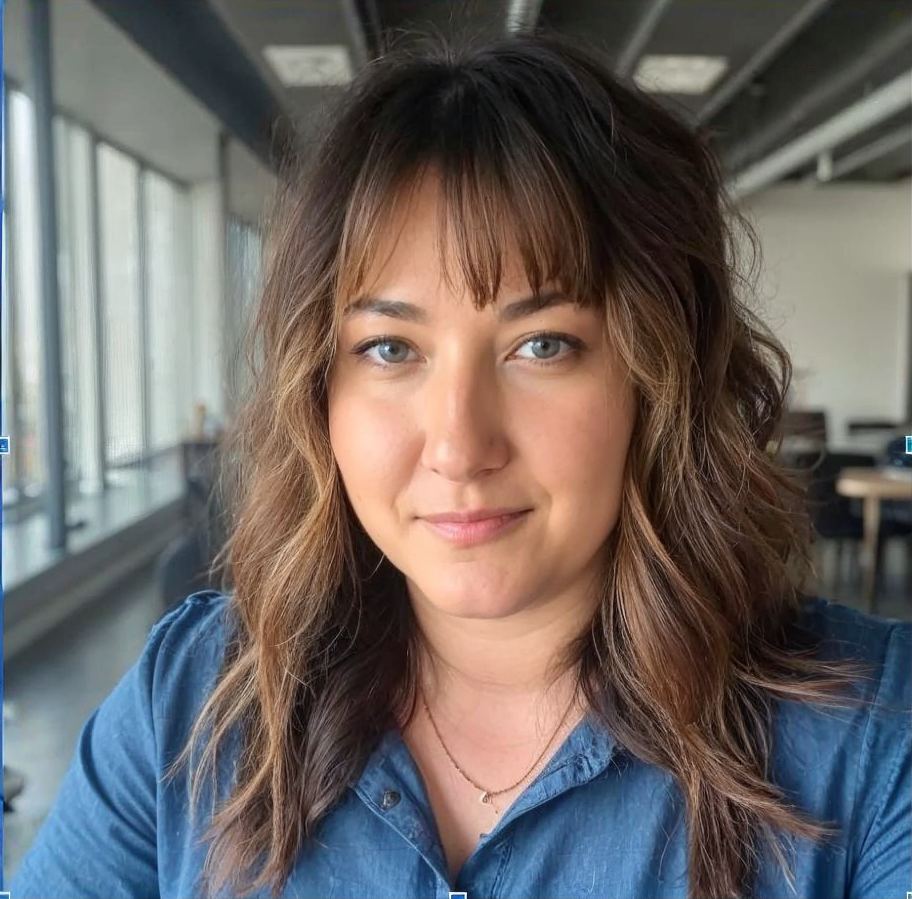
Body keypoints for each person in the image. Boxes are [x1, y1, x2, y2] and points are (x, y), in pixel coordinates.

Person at [10, 27, 910, 899]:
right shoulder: (194, 703)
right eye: (391, 349)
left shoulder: (869, 737)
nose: (458, 446)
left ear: (659, 373)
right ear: (318, 387)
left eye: (543, 344)